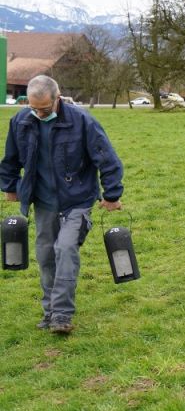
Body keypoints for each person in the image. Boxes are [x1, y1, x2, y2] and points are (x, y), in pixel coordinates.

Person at [0, 75, 124, 334]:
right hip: (43, 201)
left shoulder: (82, 122)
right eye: (33, 108)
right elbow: (11, 158)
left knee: (66, 249)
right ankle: (49, 312)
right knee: (45, 256)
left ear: (57, 98)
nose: (38, 113)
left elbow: (107, 158)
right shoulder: (21, 122)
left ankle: (61, 316)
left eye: (44, 108)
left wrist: (111, 194)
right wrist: (10, 186)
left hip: (76, 201)